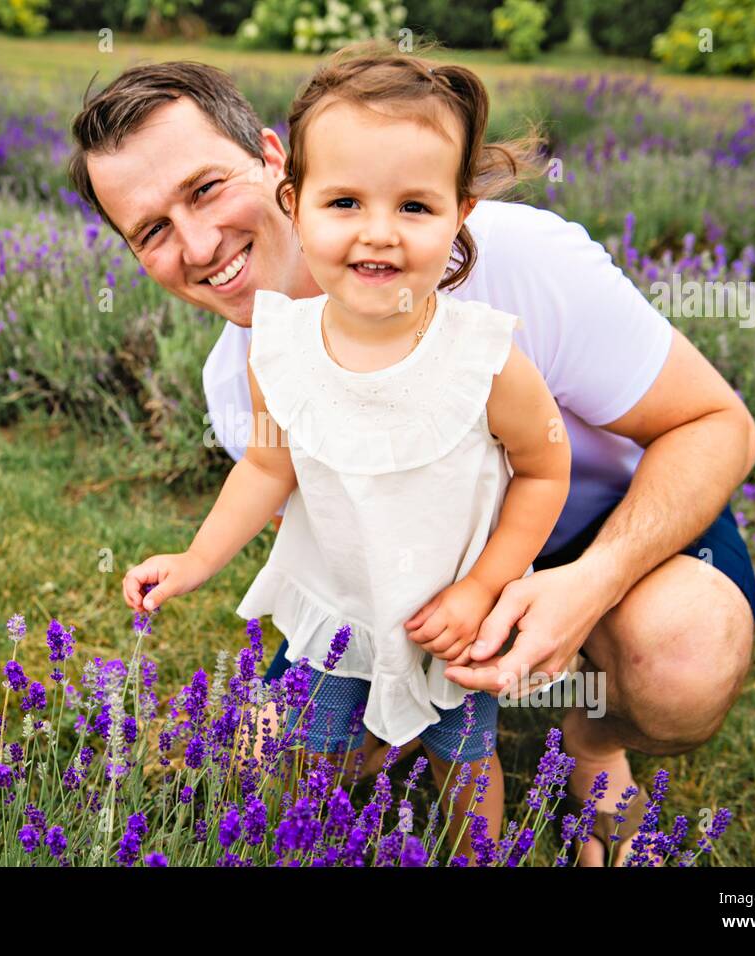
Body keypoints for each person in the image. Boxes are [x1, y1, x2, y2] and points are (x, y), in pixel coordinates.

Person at [70, 39, 755, 866]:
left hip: (602, 532)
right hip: (426, 577)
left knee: (681, 660)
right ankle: (430, 722)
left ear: (271, 160)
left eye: (206, 188)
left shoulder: (519, 267)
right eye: (151, 230)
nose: (198, 243)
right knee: (257, 759)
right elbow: (335, 524)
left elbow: (720, 426)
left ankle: (591, 737)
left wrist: (586, 586)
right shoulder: (249, 370)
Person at [120, 46, 572, 858]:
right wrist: (194, 561)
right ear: (293, 203)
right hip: (336, 610)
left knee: (464, 761)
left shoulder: (484, 354)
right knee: (309, 751)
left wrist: (480, 589)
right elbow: (266, 467)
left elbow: (544, 471)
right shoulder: (280, 344)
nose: (378, 234)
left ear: (459, 214)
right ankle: (306, 843)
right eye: (345, 201)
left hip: (449, 617)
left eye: (415, 207)